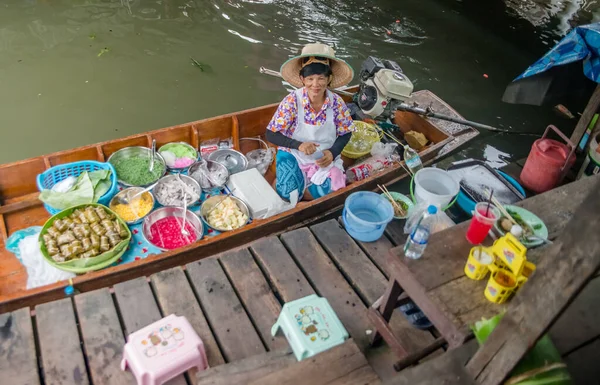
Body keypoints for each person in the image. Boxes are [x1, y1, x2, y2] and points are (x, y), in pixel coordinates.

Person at [266, 43, 355, 201]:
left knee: (334, 189)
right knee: (288, 194)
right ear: (302, 79)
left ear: (329, 79)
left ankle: (301, 186)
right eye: (310, 79)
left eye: (321, 78)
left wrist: (332, 152)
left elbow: (346, 132)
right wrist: (298, 145)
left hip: (323, 156)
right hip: (294, 153)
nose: (316, 84)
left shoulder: (337, 103)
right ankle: (295, 184)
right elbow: (271, 134)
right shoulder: (292, 101)